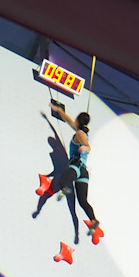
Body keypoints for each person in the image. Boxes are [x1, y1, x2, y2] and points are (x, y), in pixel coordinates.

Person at [49, 101, 100, 235]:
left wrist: (86, 148)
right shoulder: (80, 132)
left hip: (76, 166)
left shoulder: (80, 134)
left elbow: (87, 146)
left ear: (78, 120)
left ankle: (65, 189)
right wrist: (58, 111)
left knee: (62, 181)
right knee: (82, 201)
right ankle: (93, 221)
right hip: (83, 172)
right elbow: (69, 121)